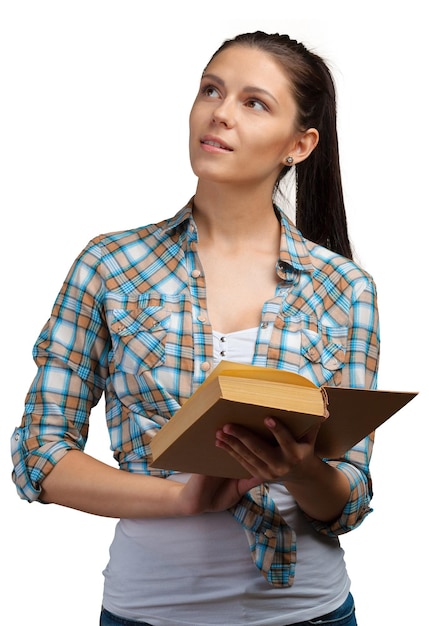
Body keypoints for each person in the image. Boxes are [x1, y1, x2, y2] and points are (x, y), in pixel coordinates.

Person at [11, 31, 380, 626]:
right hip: (149, 612)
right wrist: (178, 497)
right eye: (211, 90)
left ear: (300, 144)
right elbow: (41, 456)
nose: (221, 113)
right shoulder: (110, 266)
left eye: (254, 102)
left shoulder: (345, 289)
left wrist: (301, 470)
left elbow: (349, 500)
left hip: (312, 613)